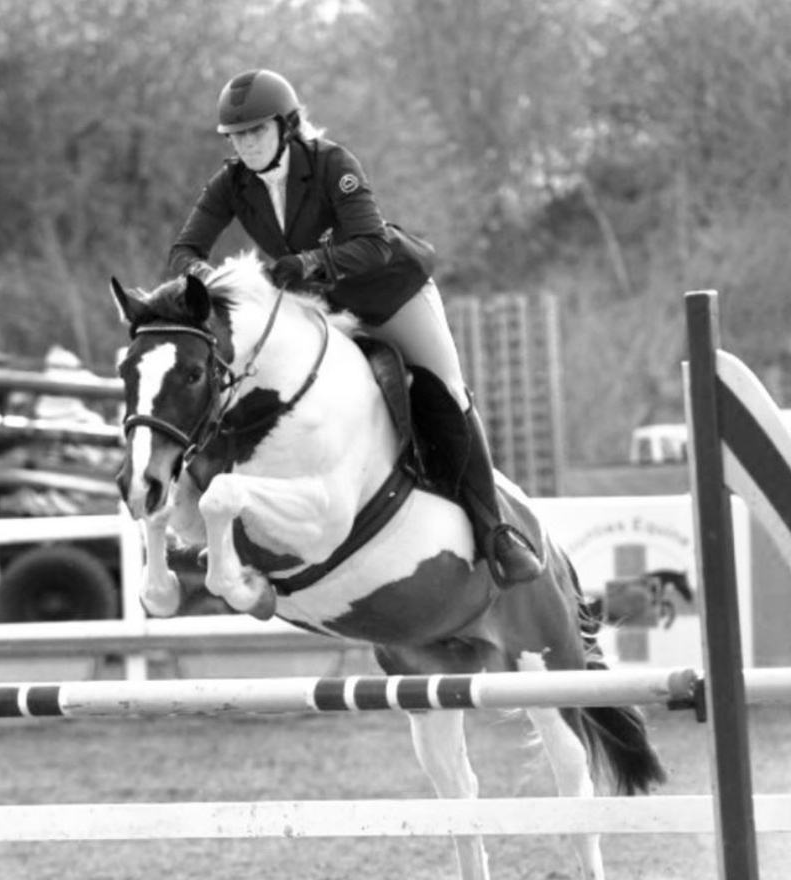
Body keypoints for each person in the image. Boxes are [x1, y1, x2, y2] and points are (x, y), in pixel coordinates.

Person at [167, 68, 542, 587]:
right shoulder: (231, 184)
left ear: (287, 125)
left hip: (389, 294)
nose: (246, 144)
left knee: (446, 392)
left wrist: (309, 262)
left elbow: (373, 243)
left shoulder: (331, 165)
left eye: (255, 131)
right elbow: (184, 251)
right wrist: (207, 280)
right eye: (236, 136)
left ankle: (494, 530)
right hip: (321, 308)